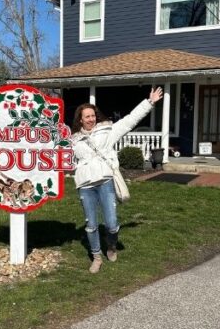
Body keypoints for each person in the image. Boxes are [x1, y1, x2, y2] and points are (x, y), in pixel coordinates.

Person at [70, 86, 164, 273]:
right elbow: (67, 160)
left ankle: (111, 246)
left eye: (93, 115)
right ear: (80, 119)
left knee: (112, 224)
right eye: (87, 116)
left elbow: (130, 120)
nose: (91, 119)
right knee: (91, 225)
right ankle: (96, 256)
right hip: (86, 186)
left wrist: (149, 102)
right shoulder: (73, 140)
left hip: (105, 181)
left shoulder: (107, 131)